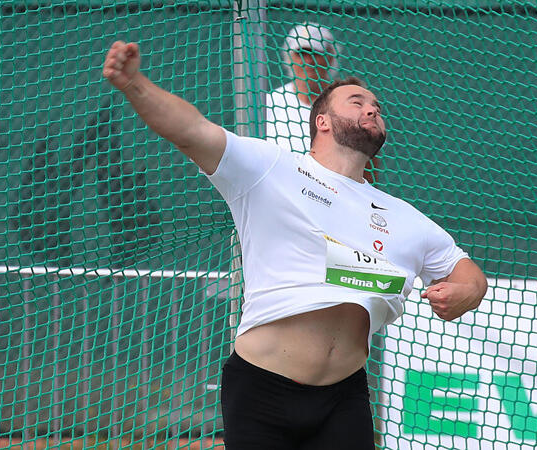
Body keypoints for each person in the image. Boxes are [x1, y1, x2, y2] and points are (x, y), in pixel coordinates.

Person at [103, 41, 487, 449]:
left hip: (344, 398)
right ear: (322, 121)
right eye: (357, 102)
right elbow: (191, 130)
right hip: (262, 390)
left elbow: (468, 273)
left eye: (376, 106)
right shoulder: (272, 168)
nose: (372, 110)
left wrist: (467, 291)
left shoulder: (403, 216)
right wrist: (134, 84)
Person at [266, 21, 378, 183]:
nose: (308, 61)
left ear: (330, 56)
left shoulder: (350, 105)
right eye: (301, 53)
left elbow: (368, 165)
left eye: (315, 53)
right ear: (289, 58)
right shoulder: (269, 103)